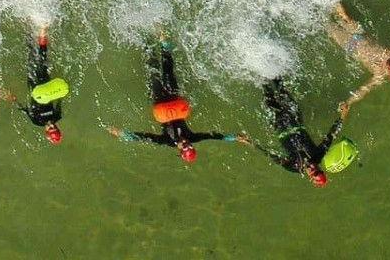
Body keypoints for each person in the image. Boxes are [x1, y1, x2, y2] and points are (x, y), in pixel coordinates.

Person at [105, 36, 241, 161]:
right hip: (173, 98)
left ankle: (147, 43)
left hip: (160, 102)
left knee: (153, 72)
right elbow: (213, 136)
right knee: (168, 71)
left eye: (184, 147)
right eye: (189, 145)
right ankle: (164, 43)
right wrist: (234, 137)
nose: (185, 143)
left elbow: (147, 138)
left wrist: (124, 134)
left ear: (179, 150)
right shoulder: (192, 137)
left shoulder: (168, 140)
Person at [329, 1, 390, 118]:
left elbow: (363, 90)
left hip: (350, 45)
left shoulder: (379, 75)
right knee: (343, 13)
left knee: (328, 27)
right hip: (359, 33)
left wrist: (348, 102)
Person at [251, 78, 341, 186]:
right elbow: (332, 134)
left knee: (267, 93)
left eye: (314, 172)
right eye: (319, 170)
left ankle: (261, 72)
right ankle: (275, 69)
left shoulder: (294, 166)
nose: (314, 167)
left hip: (279, 125)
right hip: (294, 118)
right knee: (281, 89)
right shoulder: (318, 155)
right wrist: (343, 114)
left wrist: (250, 142)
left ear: (310, 177)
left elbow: (272, 155)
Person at [0, 27, 66, 143]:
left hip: (33, 85)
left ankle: (28, 31)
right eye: (55, 127)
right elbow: (58, 98)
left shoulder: (37, 121)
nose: (52, 126)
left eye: (50, 129)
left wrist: (13, 99)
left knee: (31, 58)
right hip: (45, 83)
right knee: (42, 61)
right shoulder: (57, 116)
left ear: (46, 132)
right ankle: (42, 32)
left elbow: (26, 109)